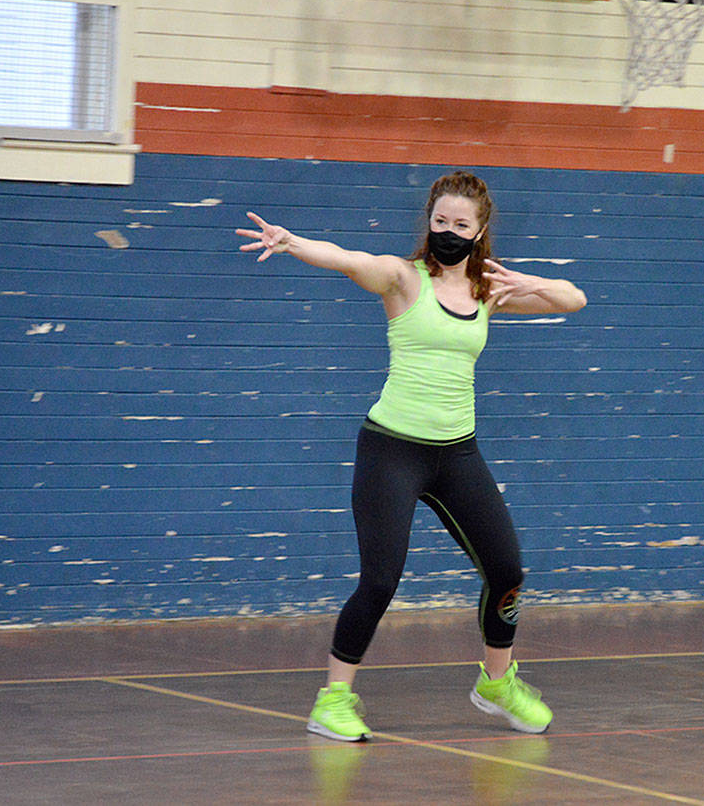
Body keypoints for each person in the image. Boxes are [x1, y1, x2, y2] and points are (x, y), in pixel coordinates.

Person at [236, 171, 587, 742]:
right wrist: (292, 242)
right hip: (392, 450)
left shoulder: (487, 291)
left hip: (457, 454)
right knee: (380, 580)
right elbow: (348, 260)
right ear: (429, 222)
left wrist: (532, 282)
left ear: (480, 231)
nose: (448, 230)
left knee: (507, 571)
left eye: (461, 224)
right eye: (440, 220)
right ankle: (333, 700)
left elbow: (575, 299)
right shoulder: (403, 279)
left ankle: (498, 684)